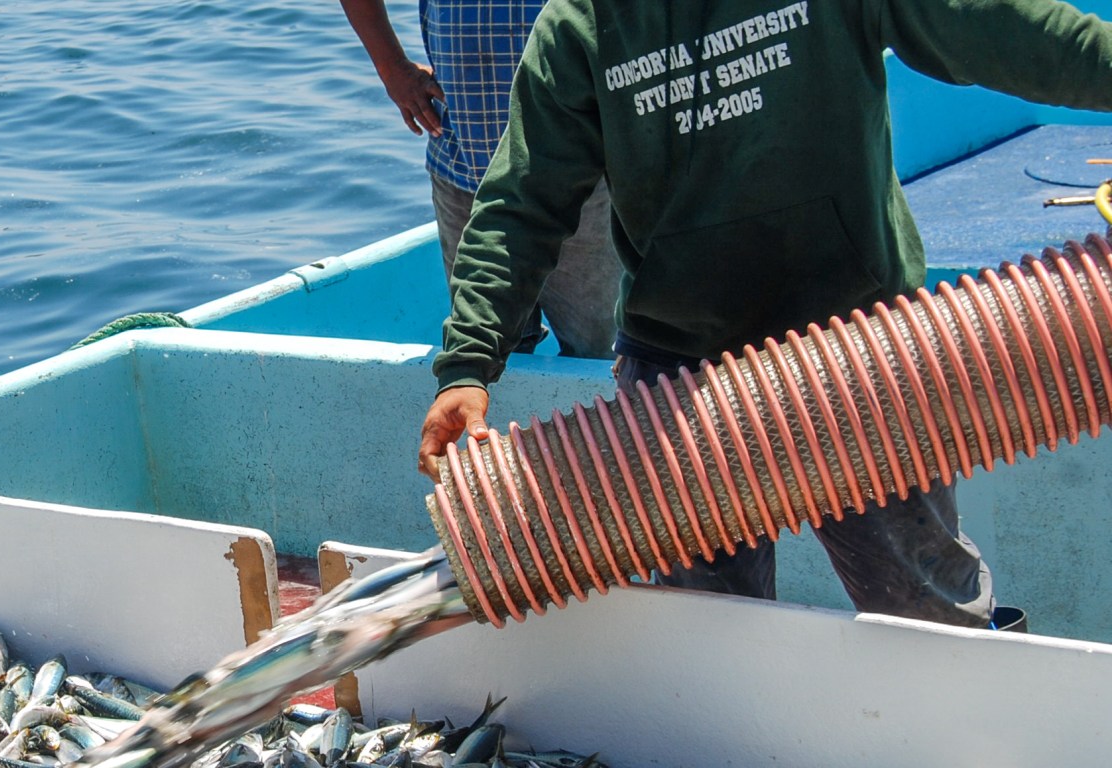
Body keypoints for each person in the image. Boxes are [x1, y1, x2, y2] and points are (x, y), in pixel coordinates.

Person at [417, 0, 1112, 628]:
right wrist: (468, 363)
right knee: (718, 640)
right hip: (685, 384)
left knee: (929, 615)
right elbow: (522, 201)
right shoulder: (580, 25)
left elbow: (998, 27)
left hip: (860, 353)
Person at [339, 0, 620, 359]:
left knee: (599, 354)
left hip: (580, 173)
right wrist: (391, 68)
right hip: (464, 166)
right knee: (485, 352)